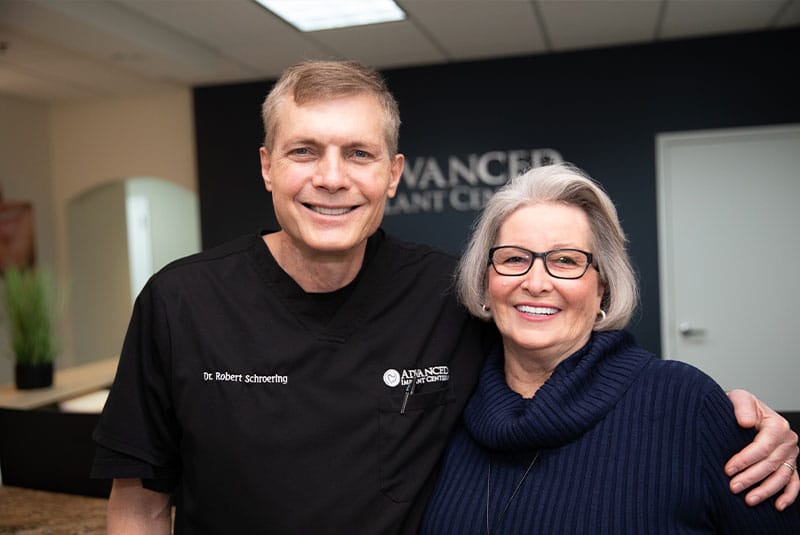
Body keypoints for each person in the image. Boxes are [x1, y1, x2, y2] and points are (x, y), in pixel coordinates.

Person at [91, 61, 799, 534]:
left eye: (359, 154)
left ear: (393, 173)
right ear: (267, 167)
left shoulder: (446, 294)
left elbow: (571, 356)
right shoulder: (179, 300)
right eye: (305, 150)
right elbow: (140, 502)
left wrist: (742, 418)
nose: (331, 177)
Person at [419, 162, 800, 534]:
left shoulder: (687, 405)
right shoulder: (446, 408)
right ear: (486, 281)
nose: (536, 282)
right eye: (514, 258)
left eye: (566, 261)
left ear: (603, 286)